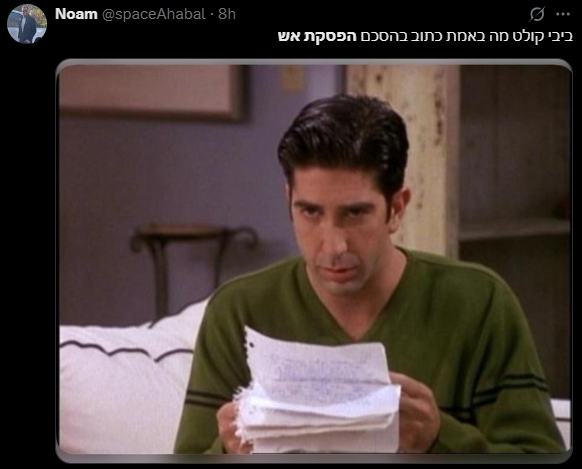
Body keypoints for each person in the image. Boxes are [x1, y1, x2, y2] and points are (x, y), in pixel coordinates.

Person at [174, 94, 565, 454]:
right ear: (288, 201)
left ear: (397, 208)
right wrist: (227, 452)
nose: (333, 246)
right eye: (310, 212)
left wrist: (438, 440)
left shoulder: (479, 303)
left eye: (355, 213)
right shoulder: (238, 312)